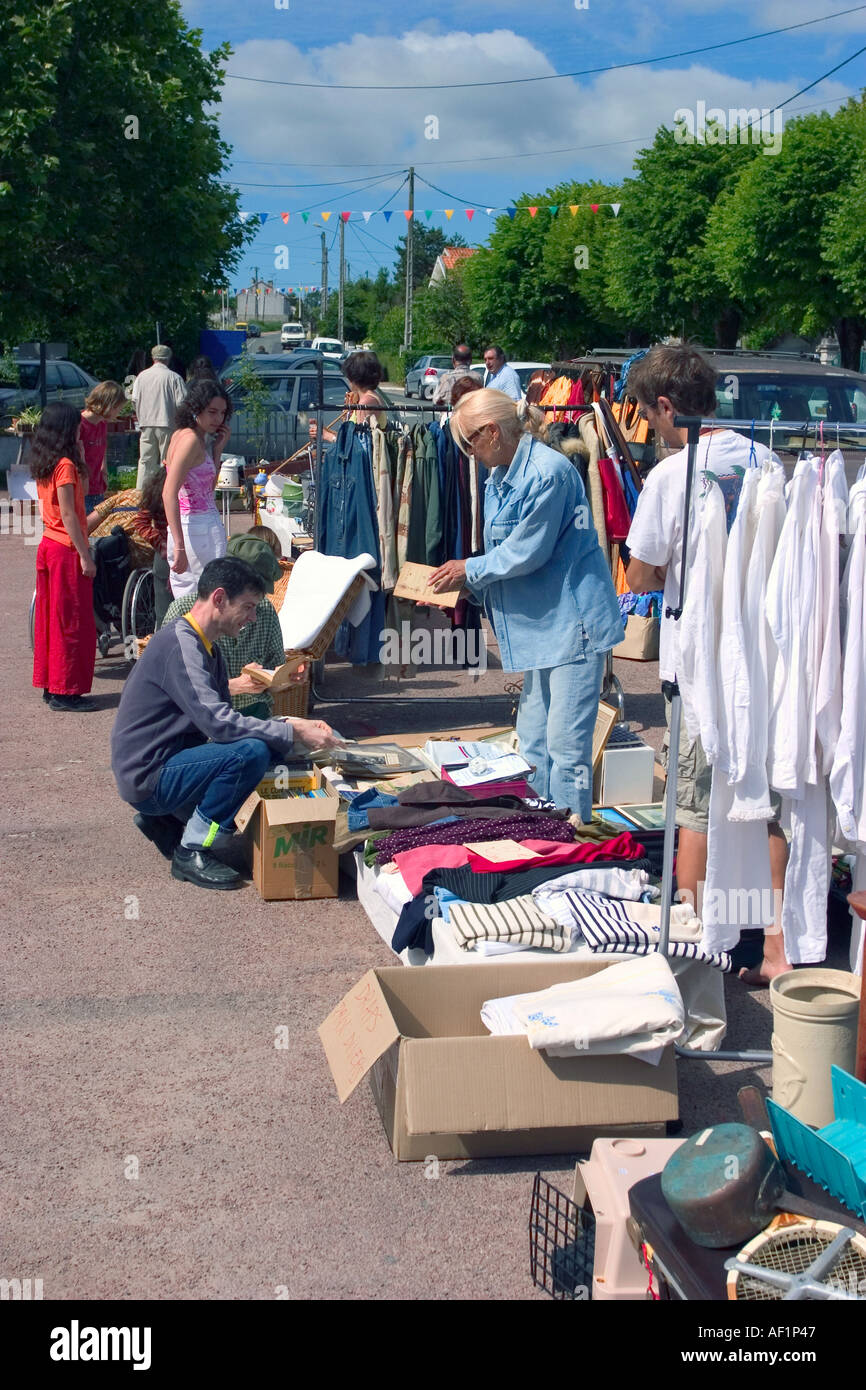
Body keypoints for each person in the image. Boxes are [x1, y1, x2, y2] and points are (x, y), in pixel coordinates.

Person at [624, 343, 789, 986]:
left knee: (696, 803)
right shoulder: (766, 459)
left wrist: (647, 560)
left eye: (647, 414)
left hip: (700, 661)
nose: (649, 427)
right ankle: (773, 946)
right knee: (765, 797)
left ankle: (697, 950)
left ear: (667, 406)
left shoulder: (671, 474)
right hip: (767, 654)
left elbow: (642, 569)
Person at [429, 388, 624, 821]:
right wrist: (471, 585)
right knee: (533, 741)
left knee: (566, 749)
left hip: (573, 627)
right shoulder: (502, 475)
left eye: (468, 442)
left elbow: (526, 551)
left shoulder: (548, 473)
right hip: (545, 627)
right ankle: (539, 828)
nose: (466, 453)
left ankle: (570, 841)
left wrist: (469, 571)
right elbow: (511, 554)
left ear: (493, 432)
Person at [110, 555, 340, 890]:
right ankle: (192, 849)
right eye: (247, 607)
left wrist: (289, 723)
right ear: (219, 598)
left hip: (158, 765)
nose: (251, 617)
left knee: (265, 747)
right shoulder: (182, 644)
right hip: (148, 775)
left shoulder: (206, 647)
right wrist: (291, 729)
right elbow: (219, 724)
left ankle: (165, 820)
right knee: (251, 754)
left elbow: (221, 718)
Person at [162, 529, 296, 719]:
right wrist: (234, 686)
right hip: (201, 719)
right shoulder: (185, 613)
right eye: (250, 596)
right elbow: (175, 689)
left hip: (255, 712)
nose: (253, 614)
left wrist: (288, 677)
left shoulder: (265, 610)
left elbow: (276, 672)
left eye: (259, 594)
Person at [30, 403, 98, 712]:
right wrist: (86, 555)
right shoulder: (66, 465)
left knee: (49, 619)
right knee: (71, 622)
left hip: (48, 543)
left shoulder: (47, 461)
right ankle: (66, 690)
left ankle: (50, 684)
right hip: (66, 549)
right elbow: (70, 513)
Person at [163, 378, 232, 600]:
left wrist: (218, 450)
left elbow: (206, 488)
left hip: (190, 526)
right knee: (208, 600)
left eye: (222, 413)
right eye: (212, 412)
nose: (218, 419)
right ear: (196, 408)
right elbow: (168, 492)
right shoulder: (191, 440)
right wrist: (180, 545)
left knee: (187, 600)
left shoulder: (182, 435)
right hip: (198, 527)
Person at [132, 345, 187, 488]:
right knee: (167, 460)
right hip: (168, 424)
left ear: (153, 358)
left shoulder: (141, 376)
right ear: (168, 358)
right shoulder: (174, 377)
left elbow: (134, 400)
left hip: (146, 424)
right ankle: (164, 492)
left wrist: (140, 416)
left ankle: (142, 494)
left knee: (145, 461)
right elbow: (182, 402)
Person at [308, 350, 387, 445]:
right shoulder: (371, 397)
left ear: (355, 377)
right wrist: (325, 431)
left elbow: (357, 445)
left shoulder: (367, 401)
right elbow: (354, 438)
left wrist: (328, 436)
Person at [79, 380, 127, 512]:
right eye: (118, 409)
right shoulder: (80, 424)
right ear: (109, 405)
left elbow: (102, 448)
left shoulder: (102, 423)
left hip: (98, 486)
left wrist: (104, 473)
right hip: (83, 489)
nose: (119, 413)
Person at [136, 469, 172, 626]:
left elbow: (140, 523)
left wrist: (160, 544)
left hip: (165, 553)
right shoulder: (186, 486)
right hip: (175, 552)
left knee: (163, 614)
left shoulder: (157, 487)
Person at [432, 344, 482, 408]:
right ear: (471, 360)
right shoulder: (479, 377)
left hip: (451, 415)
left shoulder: (445, 378)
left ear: (453, 360)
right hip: (472, 414)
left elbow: (436, 400)